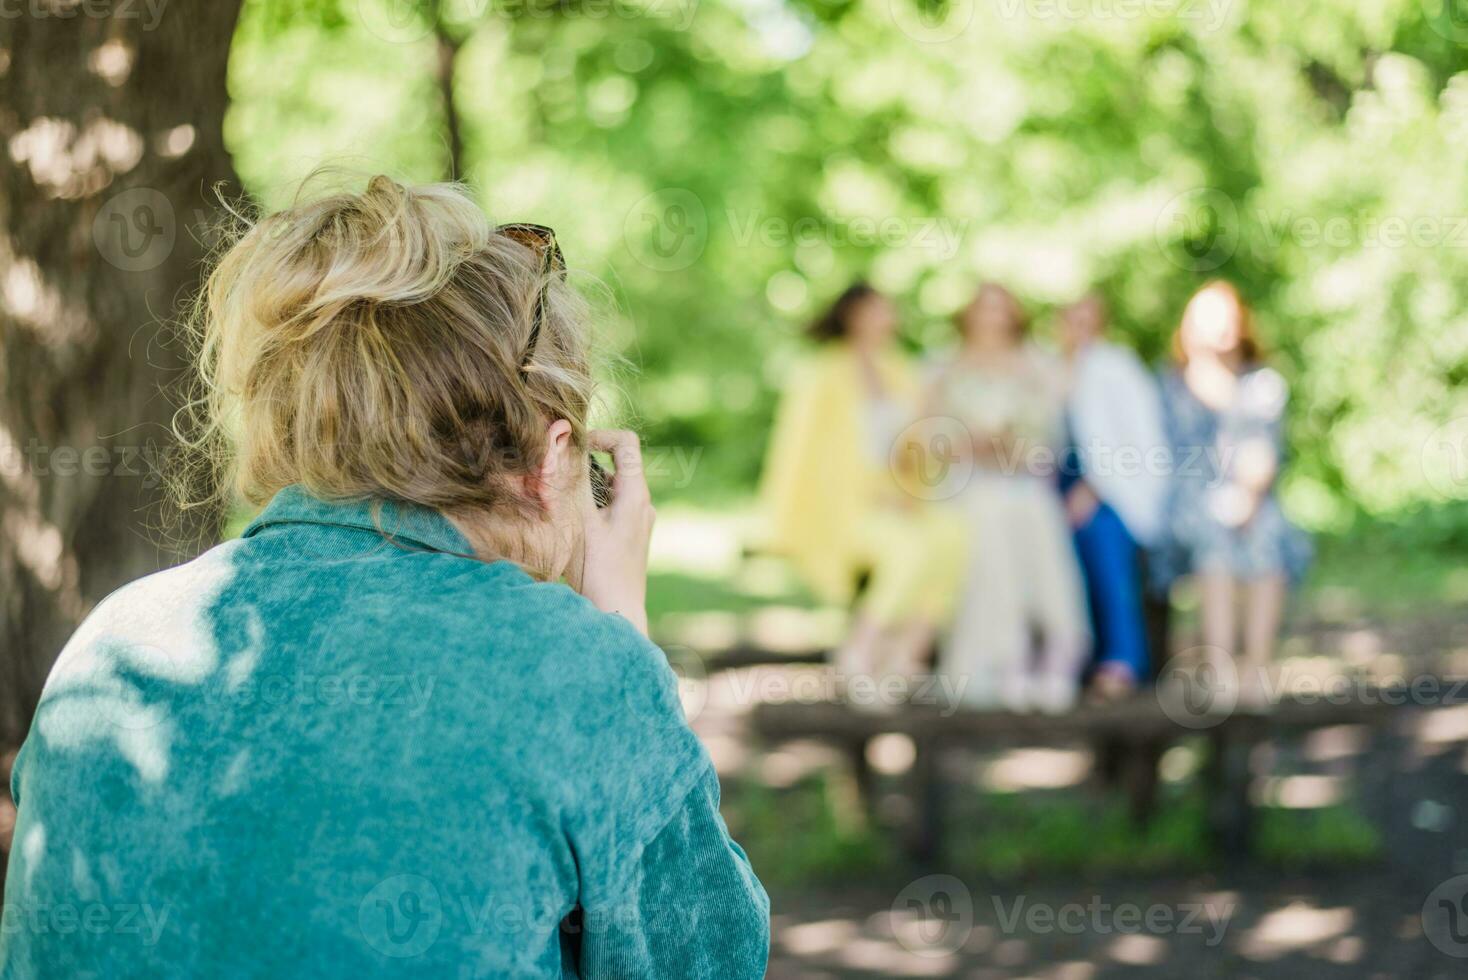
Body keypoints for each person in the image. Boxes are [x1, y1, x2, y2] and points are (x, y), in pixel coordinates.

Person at [0, 177, 769, 977]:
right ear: (553, 457)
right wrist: (623, 637)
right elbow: (709, 961)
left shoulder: (111, 642)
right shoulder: (579, 669)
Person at [761, 283, 964, 707]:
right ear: (854, 316)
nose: (890, 318)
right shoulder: (822, 371)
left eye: (890, 309)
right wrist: (867, 495)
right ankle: (858, 654)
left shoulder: (900, 369)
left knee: (952, 537)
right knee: (908, 549)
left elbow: (915, 447)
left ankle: (906, 655)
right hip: (842, 507)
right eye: (879, 310)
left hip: (898, 498)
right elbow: (804, 454)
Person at [929, 284, 1090, 714]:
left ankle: (1057, 645)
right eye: (984, 308)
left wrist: (1014, 450)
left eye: (1001, 309)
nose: (992, 318)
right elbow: (928, 437)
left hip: (1022, 477)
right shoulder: (944, 366)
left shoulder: (1034, 365)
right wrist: (969, 444)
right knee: (987, 515)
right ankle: (1005, 655)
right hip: (966, 483)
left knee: (1032, 510)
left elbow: (1049, 440)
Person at [1154, 280, 1310, 704]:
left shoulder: (1262, 384)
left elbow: (1262, 452)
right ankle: (1221, 668)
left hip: (1251, 497)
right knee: (1215, 533)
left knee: (1267, 532)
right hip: (1189, 500)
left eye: (1226, 317)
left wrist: (1249, 498)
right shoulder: (1169, 384)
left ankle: (1256, 666)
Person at [1058, 293, 1171, 699]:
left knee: (1100, 541)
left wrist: (1094, 488)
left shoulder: (1117, 367)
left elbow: (1140, 440)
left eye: (1087, 320)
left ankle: (1121, 659)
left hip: (1112, 492)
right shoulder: (1048, 367)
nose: (1077, 328)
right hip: (1052, 484)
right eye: (1071, 318)